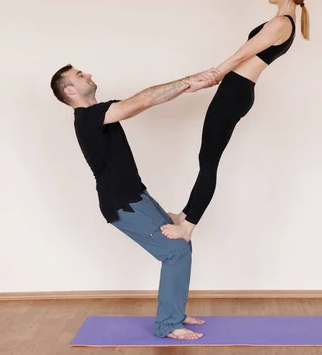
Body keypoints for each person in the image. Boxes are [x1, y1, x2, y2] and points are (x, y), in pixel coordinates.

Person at [50, 64, 218, 340]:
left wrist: (190, 86)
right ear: (70, 90)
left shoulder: (101, 111)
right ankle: (168, 324)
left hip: (138, 195)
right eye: (80, 76)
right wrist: (189, 79)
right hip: (121, 204)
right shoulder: (86, 118)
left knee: (182, 245)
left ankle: (174, 311)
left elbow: (151, 99)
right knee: (174, 251)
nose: (89, 74)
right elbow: (145, 99)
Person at [162, 0, 310, 241]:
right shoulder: (282, 22)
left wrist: (211, 75)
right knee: (206, 158)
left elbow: (241, 55)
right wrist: (215, 80)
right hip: (235, 90)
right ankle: (185, 215)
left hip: (235, 92)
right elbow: (244, 60)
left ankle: (188, 227)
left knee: (208, 161)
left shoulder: (281, 24)